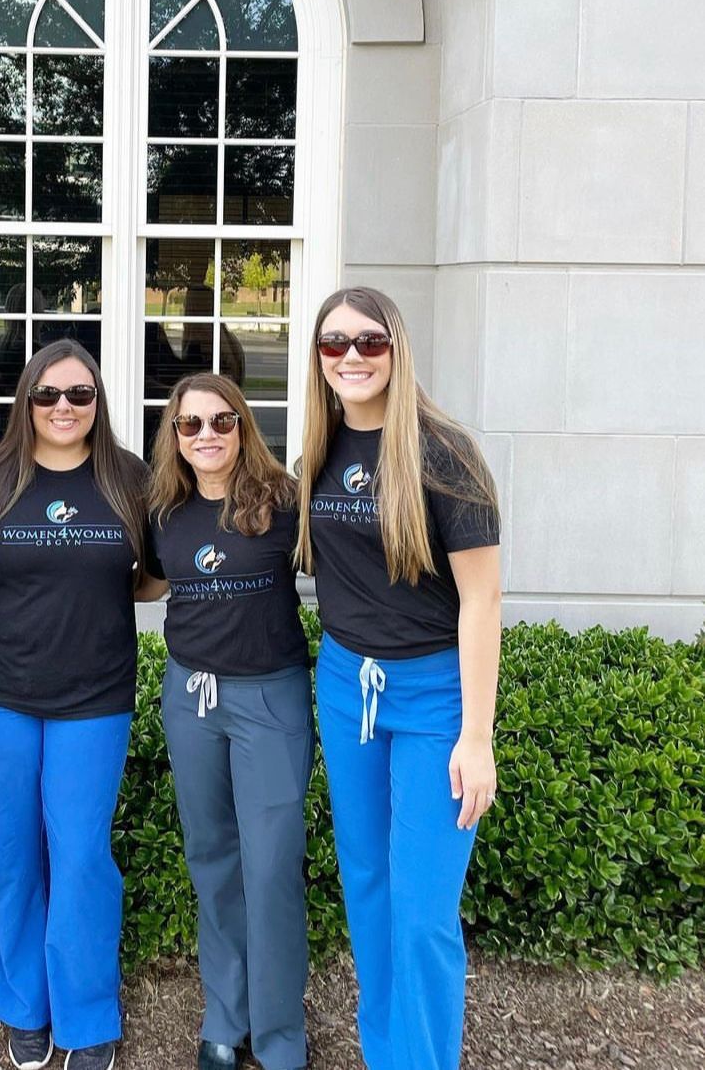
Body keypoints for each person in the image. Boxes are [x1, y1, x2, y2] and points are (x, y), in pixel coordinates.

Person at [296, 287, 501, 1070]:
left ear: (397, 347)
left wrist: (476, 736)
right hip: (347, 683)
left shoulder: (444, 453)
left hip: (432, 698)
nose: (351, 356)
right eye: (334, 343)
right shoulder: (319, 446)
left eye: (369, 341)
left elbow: (481, 598)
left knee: (421, 914)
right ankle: (391, 1054)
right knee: (370, 893)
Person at [0, 338, 147, 1070]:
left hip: (94, 699)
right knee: (14, 854)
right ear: (25, 400)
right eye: (48, 394)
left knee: (83, 854)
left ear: (98, 402)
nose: (64, 406)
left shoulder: (130, 480)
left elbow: (152, 576)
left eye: (80, 394)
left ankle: (87, 1015)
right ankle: (24, 1008)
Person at [138, 374, 313, 1070]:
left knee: (270, 868)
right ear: (174, 437)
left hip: (269, 699)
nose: (206, 434)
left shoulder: (285, 503)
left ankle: (279, 1038)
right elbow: (147, 579)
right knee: (212, 860)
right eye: (190, 424)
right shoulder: (164, 512)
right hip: (191, 699)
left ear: (243, 426)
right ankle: (224, 1017)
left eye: (221, 420)